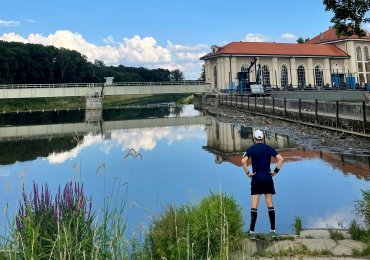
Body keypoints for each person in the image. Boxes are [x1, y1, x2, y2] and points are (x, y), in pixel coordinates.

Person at [241, 129, 284, 240]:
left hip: (256, 178)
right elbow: (281, 159)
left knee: (255, 205)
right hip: (267, 177)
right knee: (269, 203)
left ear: (254, 139)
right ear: (263, 138)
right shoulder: (268, 148)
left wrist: (248, 173)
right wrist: (275, 171)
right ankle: (273, 231)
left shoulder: (251, 149)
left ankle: (251, 232)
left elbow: (243, 161)